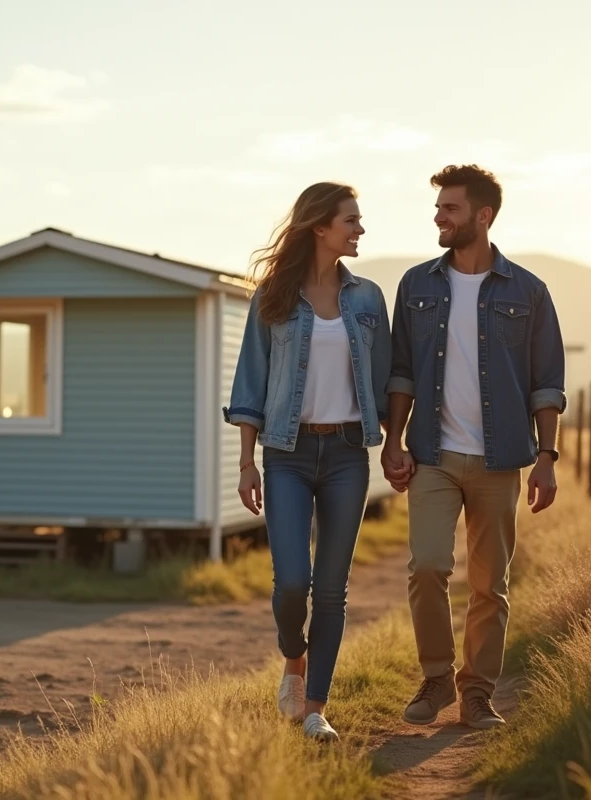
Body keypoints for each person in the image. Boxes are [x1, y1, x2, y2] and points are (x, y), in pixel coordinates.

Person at [381, 164, 566, 729]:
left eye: (450, 208)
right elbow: (402, 372)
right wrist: (393, 441)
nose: (439, 217)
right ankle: (437, 678)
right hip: (432, 455)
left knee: (490, 583)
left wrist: (547, 457)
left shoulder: (528, 291)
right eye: (439, 208)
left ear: (482, 216)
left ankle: (478, 692)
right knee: (429, 567)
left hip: (499, 460)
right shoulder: (416, 284)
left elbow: (546, 381)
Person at [223, 181, 391, 742]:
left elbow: (387, 381)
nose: (360, 228)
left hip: (347, 453)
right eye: (351, 220)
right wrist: (247, 463)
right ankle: (292, 660)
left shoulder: (368, 299)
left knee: (333, 588)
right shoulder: (272, 297)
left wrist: (399, 442)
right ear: (320, 226)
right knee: (292, 582)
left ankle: (315, 707)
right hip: (287, 455)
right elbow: (250, 381)